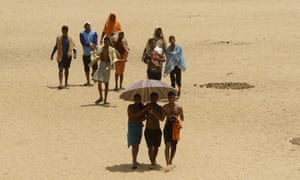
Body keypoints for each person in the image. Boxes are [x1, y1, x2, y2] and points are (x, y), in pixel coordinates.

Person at [89, 37, 117, 104]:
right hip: (102, 64)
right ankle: (101, 97)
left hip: (108, 65)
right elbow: (96, 54)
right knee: (99, 81)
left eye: (107, 41)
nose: (106, 43)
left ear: (109, 42)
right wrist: (92, 49)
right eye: (105, 41)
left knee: (106, 82)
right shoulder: (100, 48)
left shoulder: (112, 49)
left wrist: (115, 61)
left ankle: (105, 99)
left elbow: (114, 57)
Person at [162, 91, 184, 166]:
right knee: (167, 145)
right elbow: (162, 118)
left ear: (175, 98)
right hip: (167, 127)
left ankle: (171, 160)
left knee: (174, 146)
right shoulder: (165, 107)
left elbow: (182, 118)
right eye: (170, 97)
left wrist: (176, 119)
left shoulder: (179, 108)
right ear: (168, 98)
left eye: (173, 97)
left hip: (175, 128)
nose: (172, 99)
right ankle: (167, 162)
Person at [127, 94, 148, 169]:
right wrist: (144, 111)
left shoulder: (141, 106)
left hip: (139, 126)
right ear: (134, 99)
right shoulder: (130, 106)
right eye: (137, 99)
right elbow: (134, 116)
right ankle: (133, 161)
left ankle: (135, 160)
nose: (138, 100)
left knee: (137, 144)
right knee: (134, 144)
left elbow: (144, 116)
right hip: (132, 127)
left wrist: (145, 109)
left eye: (139, 99)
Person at [144, 92, 163, 168]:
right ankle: (152, 162)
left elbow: (161, 119)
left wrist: (153, 113)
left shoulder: (159, 108)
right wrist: (146, 111)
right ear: (150, 98)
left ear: (157, 99)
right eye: (152, 98)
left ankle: (154, 160)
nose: (154, 99)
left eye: (155, 98)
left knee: (156, 147)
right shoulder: (147, 106)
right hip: (148, 129)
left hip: (157, 129)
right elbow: (143, 115)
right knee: (150, 147)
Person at [80, 22, 98, 86]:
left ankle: (93, 74)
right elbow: (82, 42)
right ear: (84, 26)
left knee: (95, 68)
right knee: (86, 68)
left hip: (93, 53)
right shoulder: (82, 33)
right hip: (86, 53)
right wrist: (89, 45)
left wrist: (93, 45)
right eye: (86, 26)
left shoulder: (94, 33)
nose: (87, 27)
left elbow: (95, 42)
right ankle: (88, 81)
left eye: (88, 26)